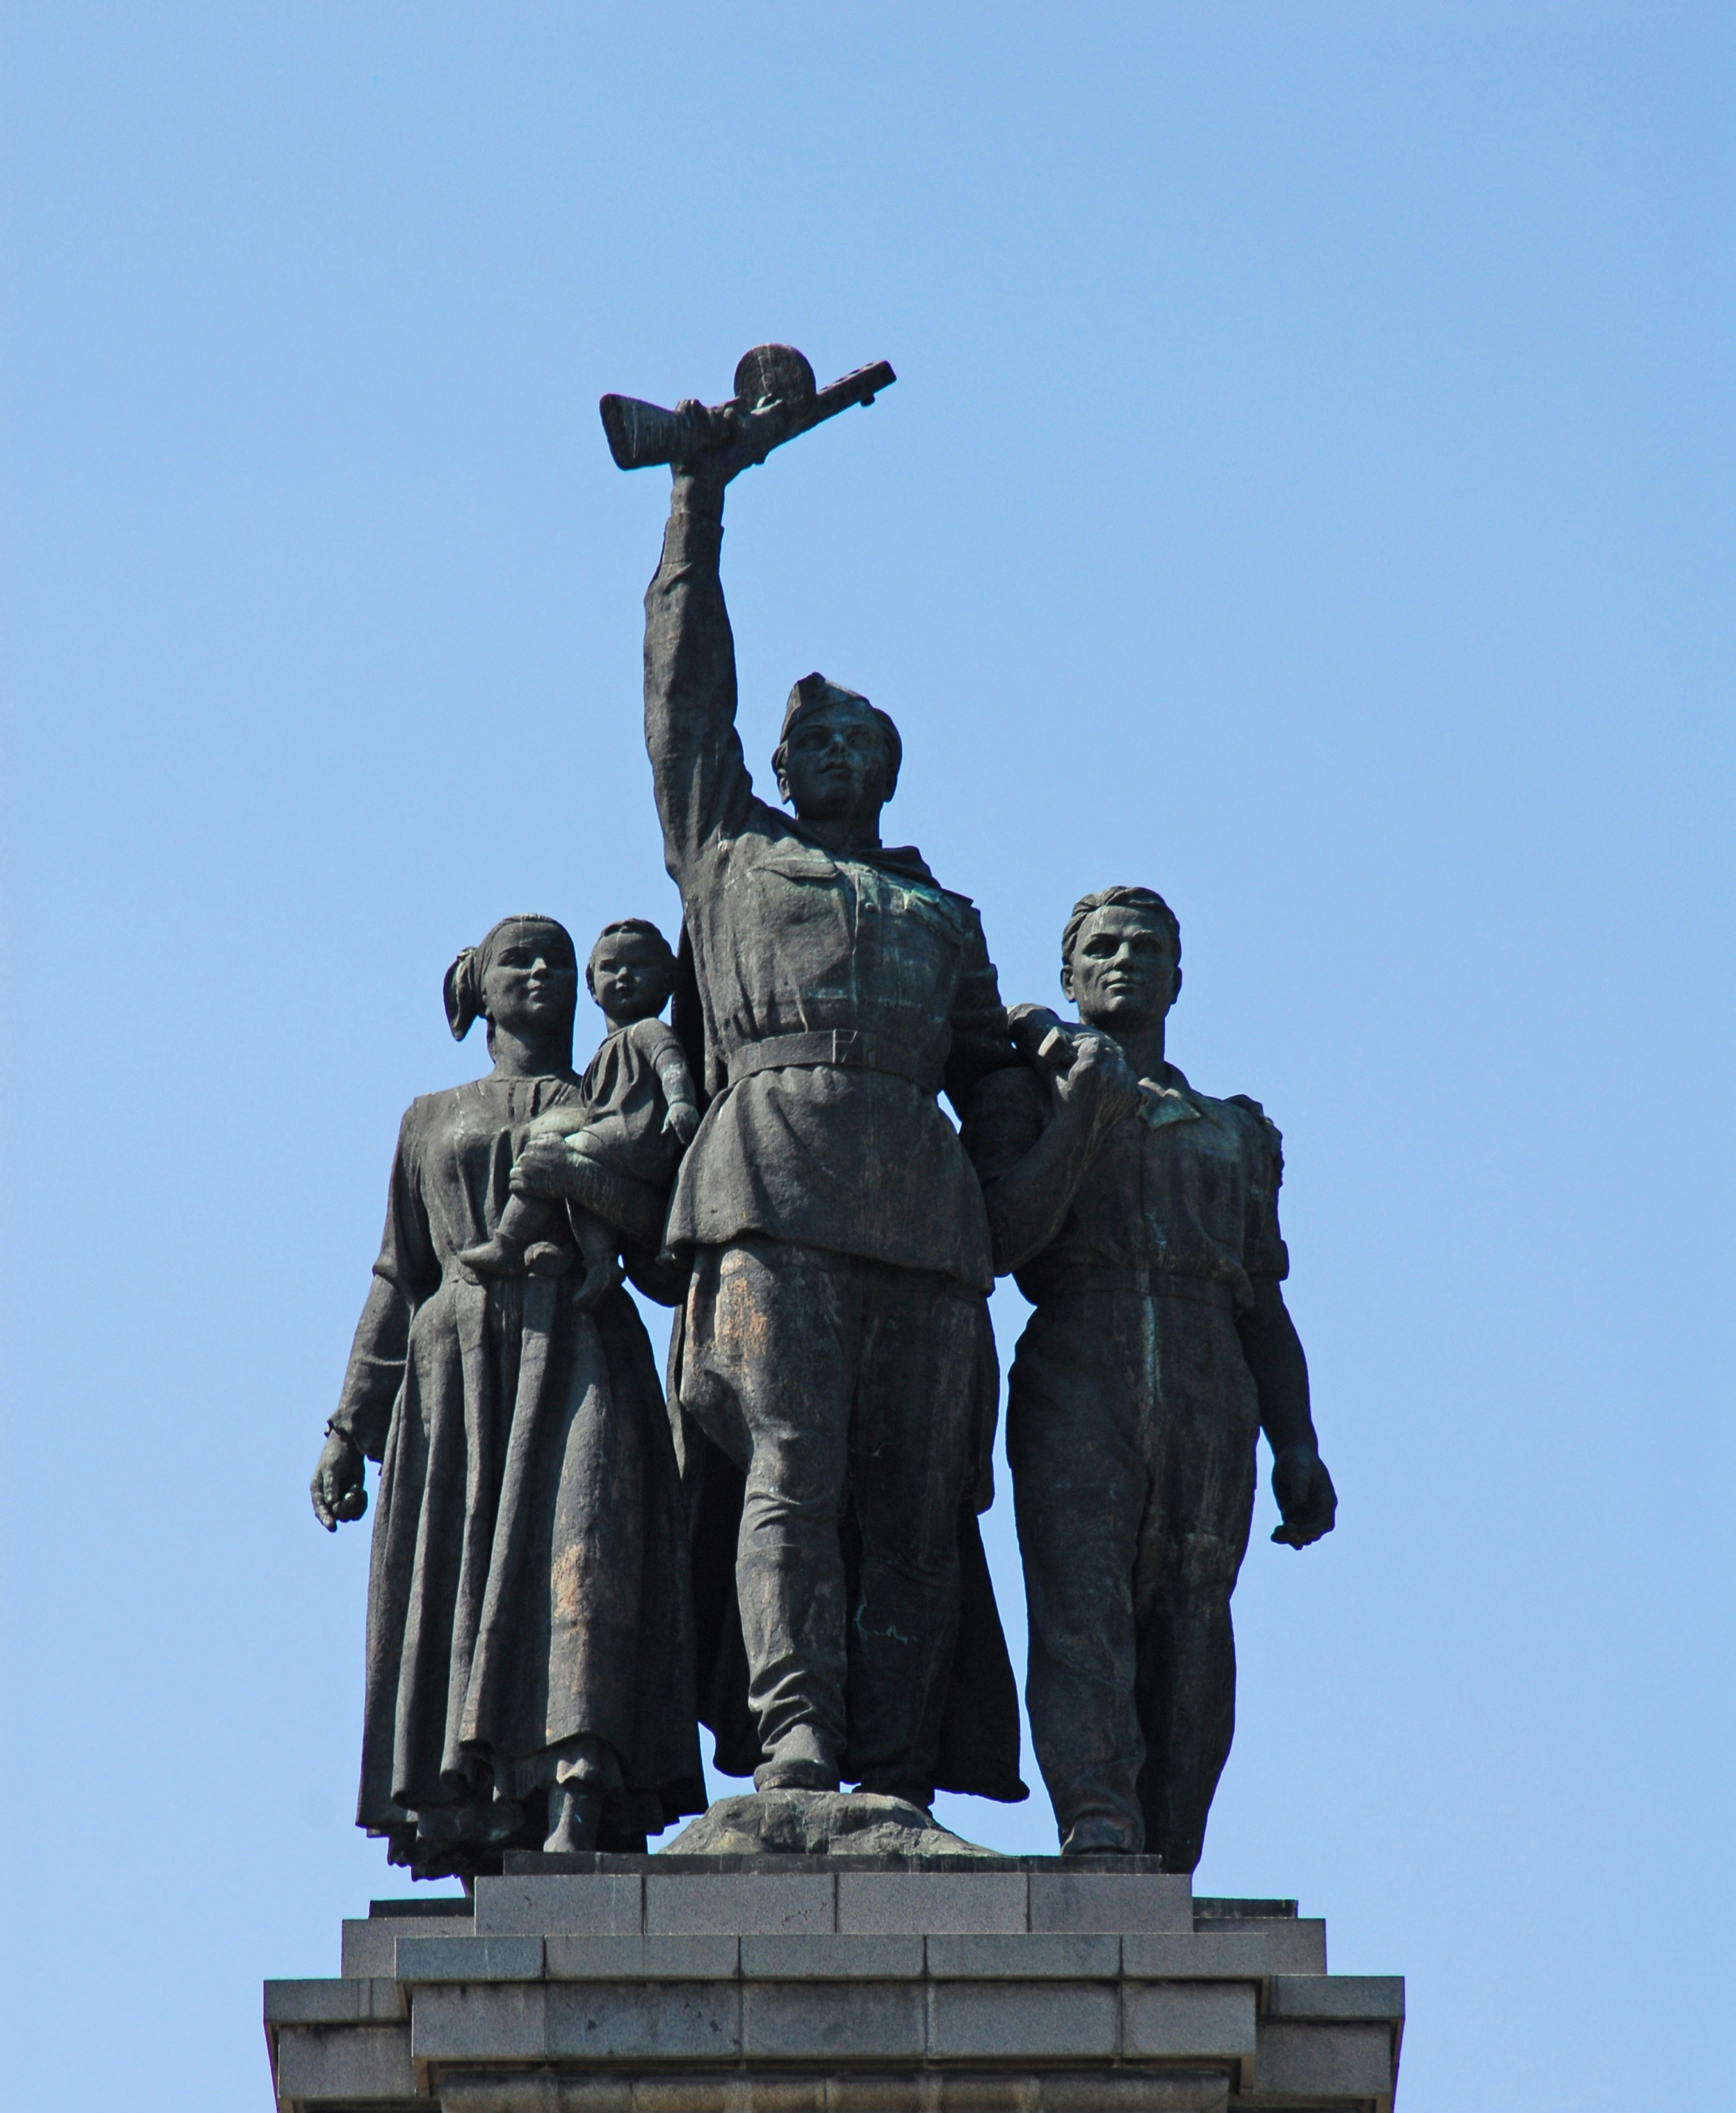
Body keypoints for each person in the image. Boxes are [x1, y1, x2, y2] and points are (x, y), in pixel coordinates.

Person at [635, 398, 1023, 1812]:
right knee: (787, 1473)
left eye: (862, 740)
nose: (835, 755)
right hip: (773, 1179)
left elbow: (996, 1079)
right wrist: (699, 506)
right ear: (785, 771)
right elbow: (685, 701)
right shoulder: (729, 853)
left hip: (925, 1211)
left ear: (890, 768)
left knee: (920, 1505)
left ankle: (900, 1765)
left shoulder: (941, 913)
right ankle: (795, 1732)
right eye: (818, 744)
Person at [309, 912, 705, 1873]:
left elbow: (664, 1246)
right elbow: (398, 1278)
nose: (540, 971)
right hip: (457, 1367)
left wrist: (583, 1175)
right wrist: (346, 1429)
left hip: (581, 1343)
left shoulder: (611, 1089)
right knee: (466, 1572)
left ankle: (579, 1792)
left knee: (588, 1553)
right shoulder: (429, 1118)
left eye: (558, 960)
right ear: (477, 987)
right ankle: (471, 1809)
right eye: (517, 957)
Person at [965, 886, 1337, 1865]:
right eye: (1102, 945)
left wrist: (1296, 1441)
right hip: (1080, 1349)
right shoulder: (1025, 1092)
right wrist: (1081, 1100)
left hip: (1210, 1366)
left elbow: (1264, 1297)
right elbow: (1006, 1239)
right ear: (1069, 976)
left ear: (1178, 975)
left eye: (1146, 945)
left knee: (1193, 1616)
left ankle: (1169, 1848)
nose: (1124, 958)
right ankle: (1098, 1815)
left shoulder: (1237, 1131)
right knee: (1082, 1604)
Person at [456, 917, 700, 1306]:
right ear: (593, 987)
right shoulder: (605, 1057)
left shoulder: (647, 1033)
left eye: (555, 961)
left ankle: (507, 1243)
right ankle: (601, 1263)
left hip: (627, 1134)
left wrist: (682, 1102)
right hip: (467, 1314)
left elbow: (670, 1063)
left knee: (544, 1159)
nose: (623, 977)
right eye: (517, 959)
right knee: (570, 1187)